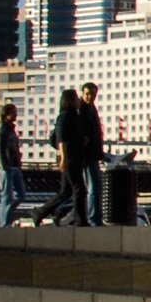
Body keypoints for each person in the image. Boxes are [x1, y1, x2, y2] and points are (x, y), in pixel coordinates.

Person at [46, 88, 87, 224]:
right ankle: (80, 220)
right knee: (79, 189)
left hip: (75, 157)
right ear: (69, 101)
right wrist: (63, 158)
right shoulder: (64, 116)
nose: (78, 100)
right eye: (76, 98)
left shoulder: (74, 116)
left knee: (66, 191)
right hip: (69, 158)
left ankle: (40, 211)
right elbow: (62, 139)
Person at [78, 82, 107, 226]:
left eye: (93, 94)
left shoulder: (91, 109)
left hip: (93, 154)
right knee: (93, 188)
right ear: (82, 93)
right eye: (87, 94)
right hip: (87, 155)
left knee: (95, 188)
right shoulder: (81, 109)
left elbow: (96, 132)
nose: (90, 97)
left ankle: (95, 217)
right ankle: (93, 218)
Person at [0, 102, 24, 227]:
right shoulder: (1, 129)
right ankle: (4, 224)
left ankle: (0, 215)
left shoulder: (12, 129)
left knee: (21, 195)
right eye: (13, 112)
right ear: (6, 115)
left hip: (15, 166)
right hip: (5, 167)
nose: (16, 115)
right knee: (7, 196)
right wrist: (3, 165)